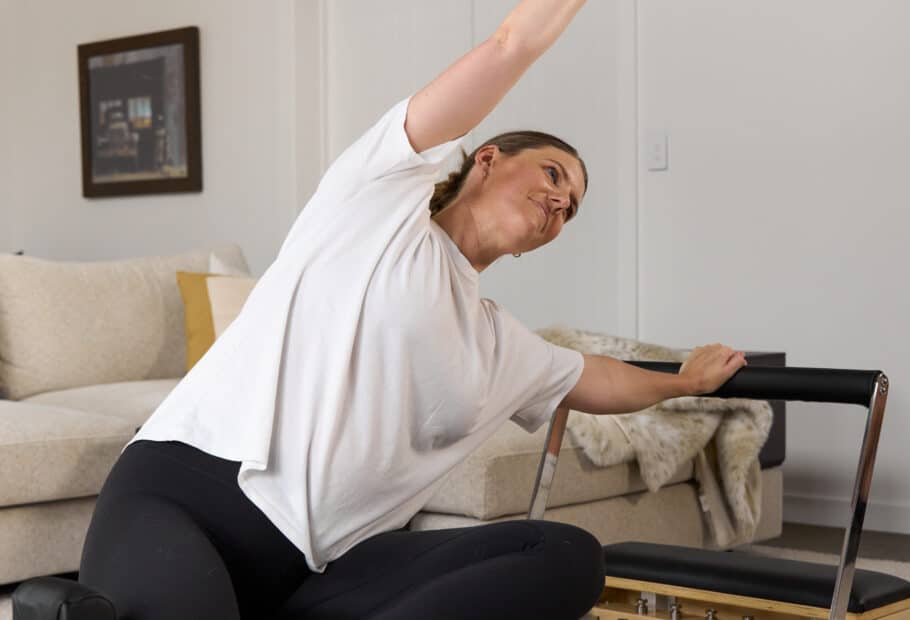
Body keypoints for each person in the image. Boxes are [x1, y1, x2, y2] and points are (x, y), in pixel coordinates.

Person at [78, 1, 748, 618]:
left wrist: (685, 382)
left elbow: (593, 378)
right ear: (488, 159)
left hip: (316, 574)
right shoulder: (379, 200)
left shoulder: (495, 342)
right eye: (552, 175)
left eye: (570, 207)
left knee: (567, 556)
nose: (559, 204)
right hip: (189, 502)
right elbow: (510, 45)